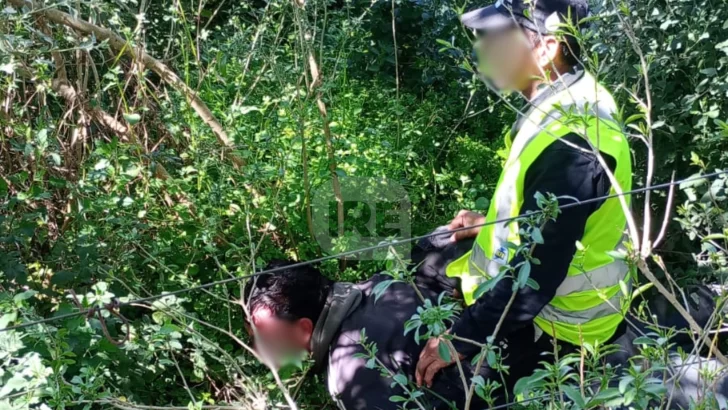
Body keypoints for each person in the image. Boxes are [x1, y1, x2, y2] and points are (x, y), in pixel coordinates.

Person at [415, 0, 636, 398]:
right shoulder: (567, 99)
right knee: (427, 251)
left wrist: (461, 339)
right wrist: (491, 221)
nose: (484, 50)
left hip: (560, 322)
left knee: (444, 394)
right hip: (539, 278)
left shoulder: (574, 144)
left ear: (547, 49)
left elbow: (537, 278)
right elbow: (558, 214)